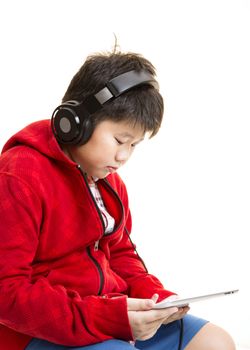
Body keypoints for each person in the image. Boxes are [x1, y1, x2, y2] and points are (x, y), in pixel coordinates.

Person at [0, 50, 236, 350]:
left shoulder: (110, 182)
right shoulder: (20, 175)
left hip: (104, 313)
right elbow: (6, 292)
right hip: (39, 330)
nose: (123, 156)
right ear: (75, 123)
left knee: (215, 342)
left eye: (134, 145)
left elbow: (121, 254)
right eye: (120, 140)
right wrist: (107, 317)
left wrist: (156, 299)